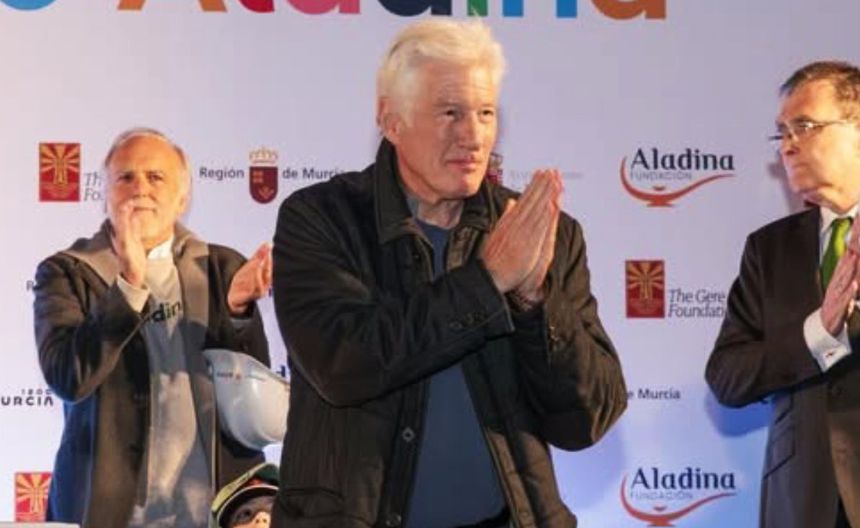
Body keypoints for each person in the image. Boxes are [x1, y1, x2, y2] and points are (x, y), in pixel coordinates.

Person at [271, 19, 627, 528]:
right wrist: (488, 282)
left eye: (486, 113)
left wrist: (534, 300)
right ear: (391, 120)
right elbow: (344, 364)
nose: (474, 135)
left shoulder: (542, 234)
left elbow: (587, 418)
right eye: (450, 113)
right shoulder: (322, 218)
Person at [33, 127, 272, 528]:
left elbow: (253, 399)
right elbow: (68, 378)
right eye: (125, 177)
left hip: (213, 508)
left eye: (156, 177)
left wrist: (237, 313)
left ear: (182, 198)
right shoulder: (66, 272)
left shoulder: (222, 267)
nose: (140, 188)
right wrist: (128, 283)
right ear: (104, 194)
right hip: (107, 511)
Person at [706, 61, 860, 528]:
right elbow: (728, 376)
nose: (788, 145)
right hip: (803, 502)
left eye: (805, 127)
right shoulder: (769, 249)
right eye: (783, 133)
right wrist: (818, 334)